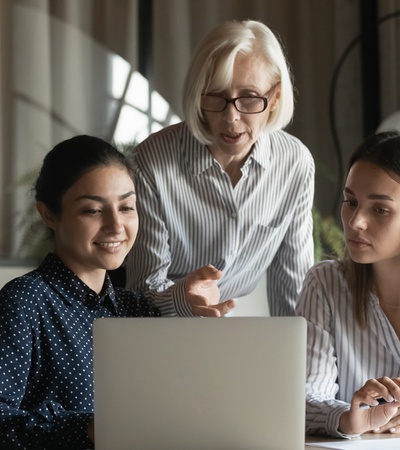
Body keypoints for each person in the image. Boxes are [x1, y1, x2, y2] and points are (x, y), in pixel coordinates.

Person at [0, 135, 225, 449]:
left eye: (127, 207)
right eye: (93, 210)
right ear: (49, 214)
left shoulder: (136, 309)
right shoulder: (24, 302)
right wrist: (89, 428)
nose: (116, 225)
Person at [126, 19, 315, 317]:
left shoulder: (295, 163)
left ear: (275, 97)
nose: (231, 118)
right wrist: (183, 300)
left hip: (231, 334)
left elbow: (292, 288)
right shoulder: (152, 161)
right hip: (161, 331)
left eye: (250, 98)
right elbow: (141, 294)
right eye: (216, 96)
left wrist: (296, 357)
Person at [296, 130, 400, 438]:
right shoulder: (325, 285)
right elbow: (304, 398)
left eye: (379, 209)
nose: (355, 221)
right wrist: (349, 419)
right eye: (350, 201)